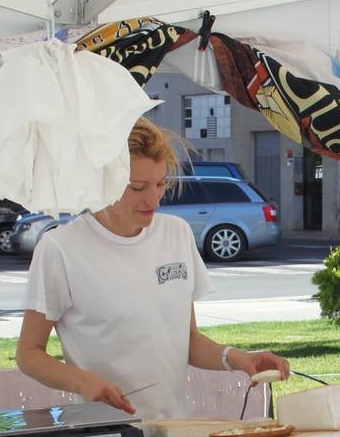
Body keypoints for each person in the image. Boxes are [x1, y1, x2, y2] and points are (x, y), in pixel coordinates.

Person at [17, 118, 288, 418]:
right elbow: (29, 354)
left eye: (160, 184)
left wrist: (238, 358)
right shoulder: (60, 248)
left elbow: (188, 342)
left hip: (173, 430)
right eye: (137, 187)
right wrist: (83, 382)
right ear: (101, 182)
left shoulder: (177, 233)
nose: (154, 199)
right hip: (105, 436)